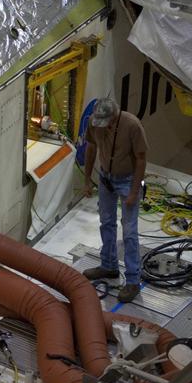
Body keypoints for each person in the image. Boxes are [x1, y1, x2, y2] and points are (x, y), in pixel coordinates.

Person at [81, 97, 148, 303]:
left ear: (115, 117)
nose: (105, 127)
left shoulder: (132, 125)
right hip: (105, 178)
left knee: (129, 231)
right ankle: (109, 265)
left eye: (108, 123)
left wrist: (134, 192)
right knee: (106, 223)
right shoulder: (95, 122)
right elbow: (91, 148)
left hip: (127, 180)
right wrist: (87, 180)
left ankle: (133, 281)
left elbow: (141, 159)